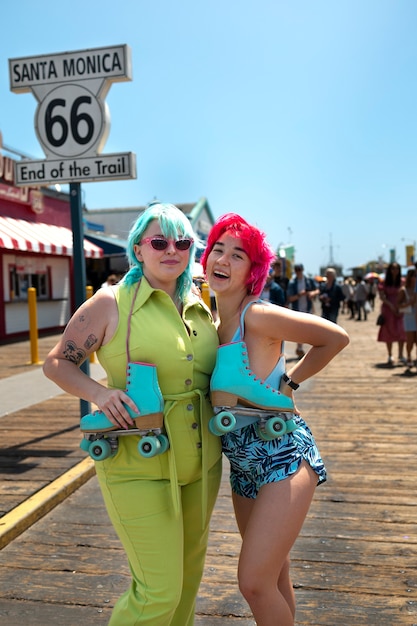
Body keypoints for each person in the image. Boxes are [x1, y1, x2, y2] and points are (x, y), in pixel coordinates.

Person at [43, 203, 222, 625]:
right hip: (139, 461)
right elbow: (57, 362)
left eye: (182, 242)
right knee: (158, 590)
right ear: (138, 249)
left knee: (188, 583)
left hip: (203, 460)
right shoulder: (111, 302)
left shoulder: (198, 299)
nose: (171, 251)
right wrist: (99, 394)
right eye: (159, 242)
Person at [200, 213, 349, 626]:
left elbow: (335, 337)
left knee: (253, 582)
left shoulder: (256, 315)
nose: (224, 259)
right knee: (274, 575)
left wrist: (289, 383)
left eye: (238, 254)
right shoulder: (211, 324)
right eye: (218, 249)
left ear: (253, 271)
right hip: (242, 465)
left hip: (283, 455)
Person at [287, 263, 319, 357]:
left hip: (308, 308)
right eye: (296, 270)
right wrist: (300, 295)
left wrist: (312, 293)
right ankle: (300, 348)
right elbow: (290, 298)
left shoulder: (309, 280)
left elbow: (317, 290)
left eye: (299, 270)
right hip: (297, 309)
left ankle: (302, 348)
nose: (298, 272)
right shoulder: (292, 283)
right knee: (300, 330)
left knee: (308, 329)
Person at [377, 262, 406, 366]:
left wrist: (400, 305)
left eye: (397, 269)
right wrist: (391, 306)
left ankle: (401, 354)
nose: (395, 271)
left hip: (401, 308)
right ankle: (390, 354)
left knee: (401, 331)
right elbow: (382, 297)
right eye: (393, 269)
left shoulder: (402, 281)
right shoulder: (384, 282)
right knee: (388, 330)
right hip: (388, 308)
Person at [397, 267, 417, 368]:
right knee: (410, 340)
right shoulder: (404, 290)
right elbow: (398, 304)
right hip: (409, 317)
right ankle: (409, 356)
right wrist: (409, 303)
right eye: (414, 276)